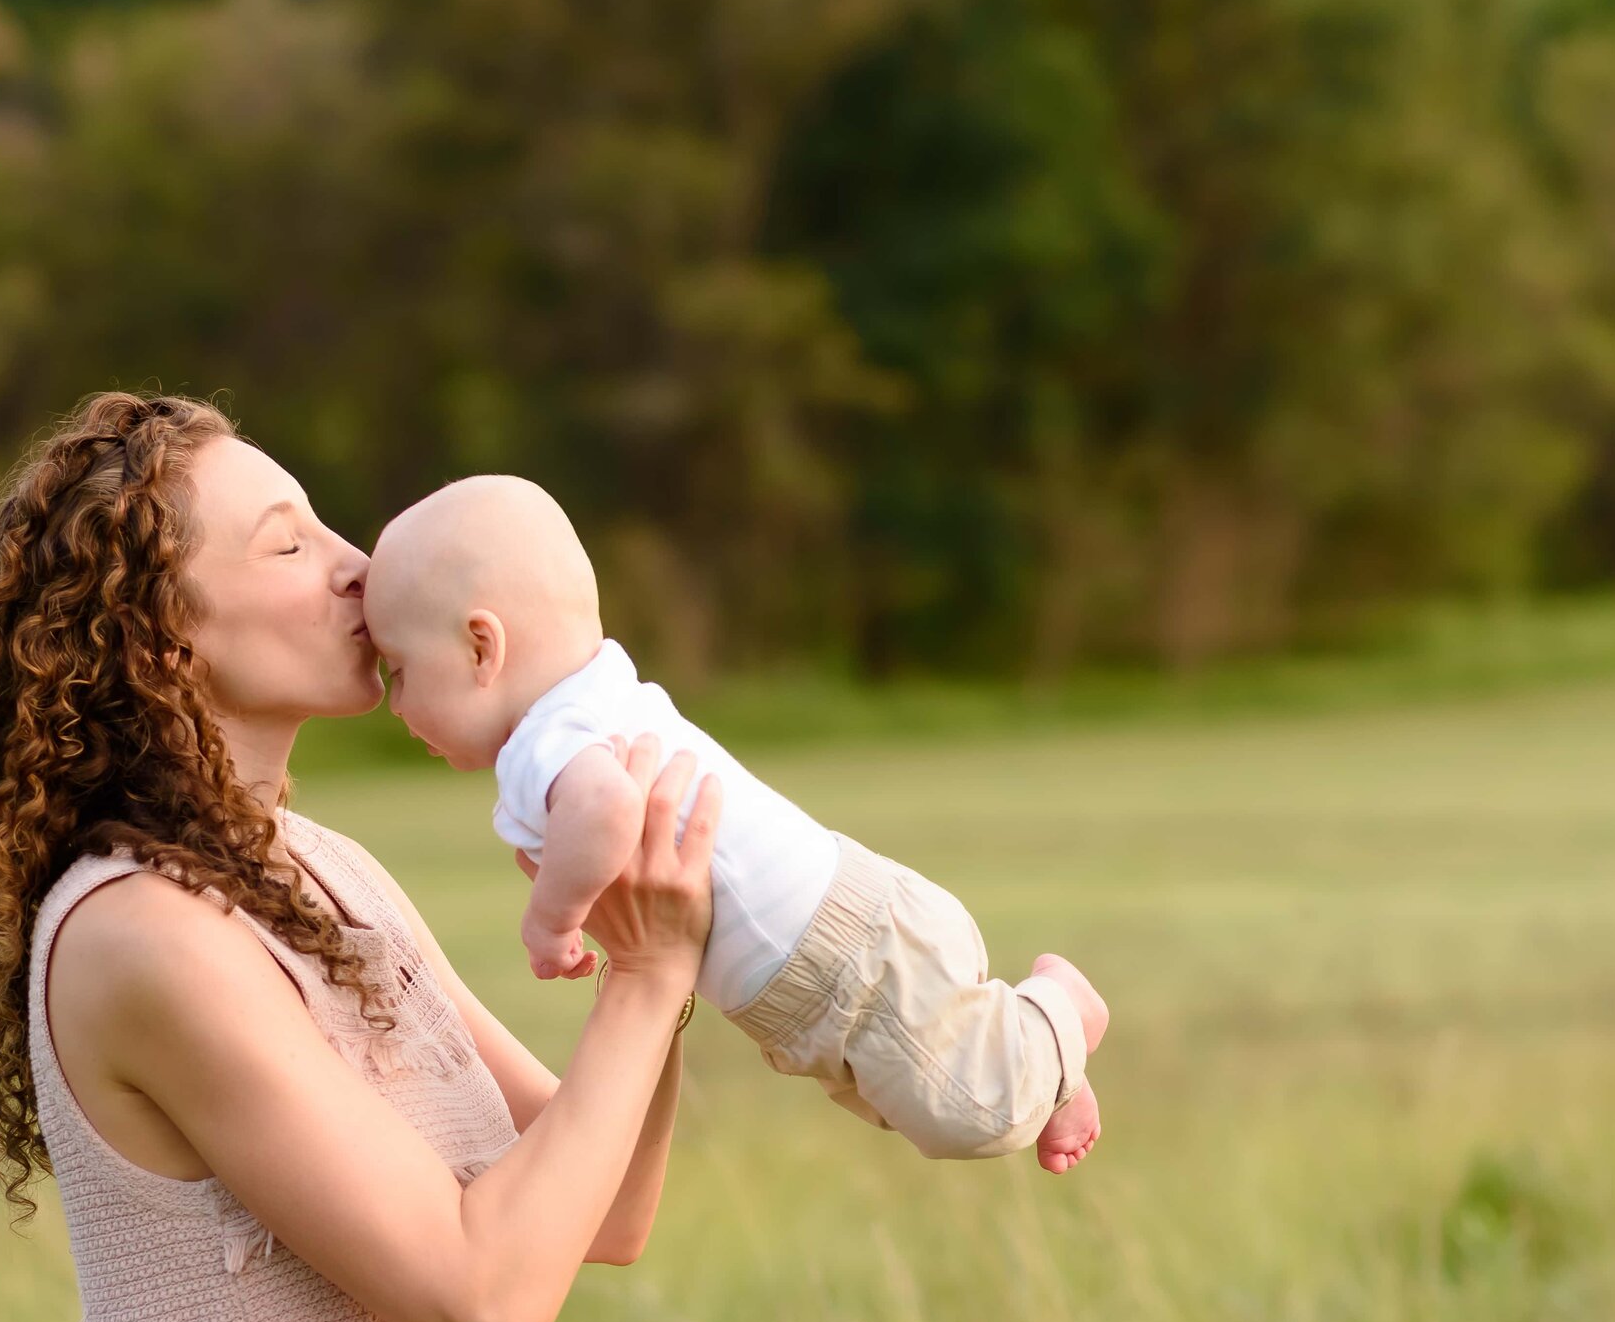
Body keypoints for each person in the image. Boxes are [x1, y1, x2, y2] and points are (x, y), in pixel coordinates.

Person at [0, 393, 719, 1322]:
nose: (357, 564)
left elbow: (612, 1214)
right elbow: (487, 1301)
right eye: (289, 543)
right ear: (160, 632)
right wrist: (643, 980)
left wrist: (661, 923)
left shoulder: (325, 869)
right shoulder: (139, 933)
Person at [361, 474, 1112, 1172]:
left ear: (482, 646)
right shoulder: (598, 692)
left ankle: (1063, 1006)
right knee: (923, 1101)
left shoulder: (543, 741)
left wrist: (551, 920)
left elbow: (606, 809)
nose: (394, 704)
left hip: (842, 960)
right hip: (830, 957)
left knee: (967, 1111)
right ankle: (1049, 1063)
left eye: (400, 671)